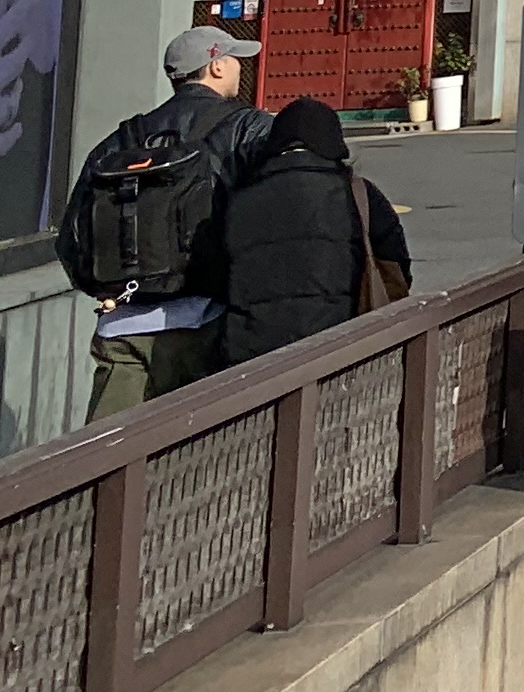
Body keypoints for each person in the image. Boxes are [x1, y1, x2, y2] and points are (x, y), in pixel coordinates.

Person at [62, 27, 275, 420]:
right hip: (210, 324)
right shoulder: (248, 129)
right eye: (234, 59)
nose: (238, 68)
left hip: (123, 331)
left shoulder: (121, 140)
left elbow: (71, 239)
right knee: (202, 449)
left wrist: (111, 289)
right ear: (215, 66)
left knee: (109, 451)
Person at [218, 97, 409, 364]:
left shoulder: (240, 199)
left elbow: (219, 274)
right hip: (338, 346)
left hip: (252, 354)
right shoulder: (359, 194)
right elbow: (397, 265)